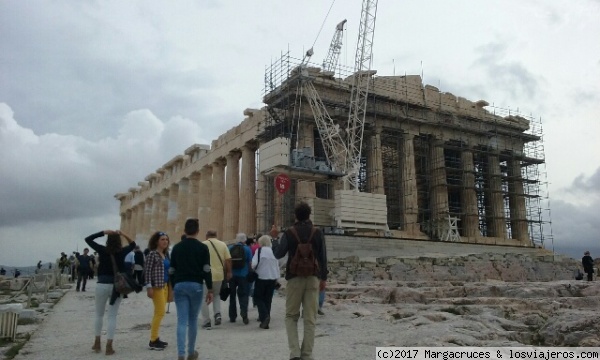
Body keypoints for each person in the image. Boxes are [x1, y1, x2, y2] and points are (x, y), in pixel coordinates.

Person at [273, 202, 328, 360]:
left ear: (295, 215)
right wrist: (324, 278)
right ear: (309, 215)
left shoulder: (289, 232)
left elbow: (278, 254)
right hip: (313, 278)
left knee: (291, 316)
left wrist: (274, 237)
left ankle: (295, 353)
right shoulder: (317, 232)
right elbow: (323, 257)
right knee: (310, 318)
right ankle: (307, 354)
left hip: (294, 278)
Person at [85, 229, 135, 355]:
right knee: (112, 316)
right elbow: (133, 244)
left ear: (108, 240)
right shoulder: (122, 251)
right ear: (119, 241)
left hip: (101, 284)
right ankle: (109, 346)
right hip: (116, 287)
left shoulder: (102, 250)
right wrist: (123, 234)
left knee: (99, 314)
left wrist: (103, 232)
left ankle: (97, 343)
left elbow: (88, 239)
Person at [170, 218, 213, 360]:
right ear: (198, 231)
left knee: (182, 320)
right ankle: (191, 352)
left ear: (184, 230)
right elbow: (206, 269)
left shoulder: (177, 247)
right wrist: (211, 289)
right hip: (196, 285)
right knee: (193, 319)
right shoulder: (202, 247)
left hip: (180, 285)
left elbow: (171, 270)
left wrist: (172, 286)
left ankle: (181, 353)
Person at [144, 231, 172, 350]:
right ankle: (153, 340)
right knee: (160, 312)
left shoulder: (165, 255)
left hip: (165, 285)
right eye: (162, 239)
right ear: (156, 241)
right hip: (156, 286)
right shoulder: (152, 254)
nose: (165, 241)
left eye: (166, 239)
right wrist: (149, 287)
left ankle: (155, 337)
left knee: (159, 312)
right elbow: (147, 271)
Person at [201, 230, 232, 330]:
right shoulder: (222, 244)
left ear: (207, 236)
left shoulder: (203, 244)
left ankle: (206, 321)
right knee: (216, 295)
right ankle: (217, 314)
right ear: (216, 235)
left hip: (205, 275)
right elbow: (228, 259)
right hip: (218, 275)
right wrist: (228, 272)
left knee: (204, 298)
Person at [252, 235, 280, 330]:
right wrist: (277, 278)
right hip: (272, 278)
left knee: (258, 297)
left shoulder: (259, 251)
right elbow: (277, 265)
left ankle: (264, 316)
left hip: (261, 277)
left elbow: (254, 264)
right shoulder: (273, 252)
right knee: (268, 299)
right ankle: (266, 318)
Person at [227, 233, 252, 324]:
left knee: (232, 296)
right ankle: (244, 312)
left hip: (232, 275)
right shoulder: (247, 249)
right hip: (243, 275)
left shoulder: (230, 248)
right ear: (244, 240)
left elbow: (227, 261)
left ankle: (232, 316)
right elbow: (250, 262)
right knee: (243, 295)